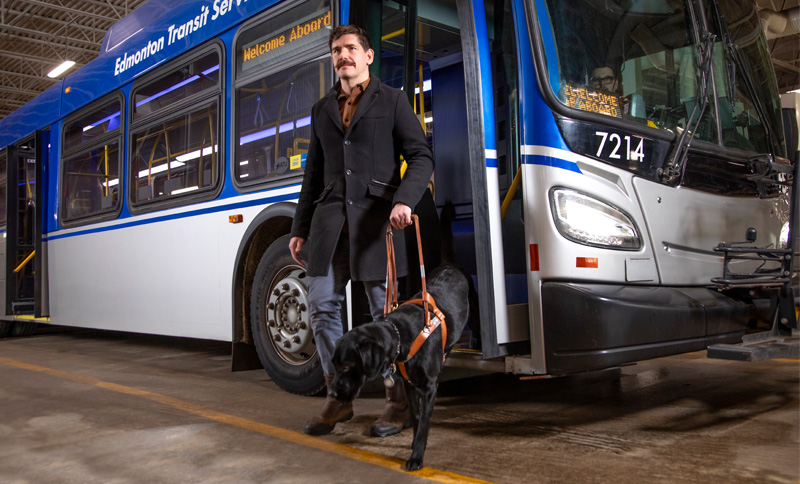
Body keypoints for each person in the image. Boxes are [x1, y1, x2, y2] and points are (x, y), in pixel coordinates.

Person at [289, 24, 434, 437]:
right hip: (329, 224)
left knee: (383, 316)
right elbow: (312, 175)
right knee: (320, 307)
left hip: (377, 223)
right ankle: (339, 397)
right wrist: (300, 228)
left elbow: (421, 156)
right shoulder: (321, 110)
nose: (343, 55)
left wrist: (405, 199)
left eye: (351, 48)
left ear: (368, 56)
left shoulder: (392, 101)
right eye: (336, 50)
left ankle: (397, 401)